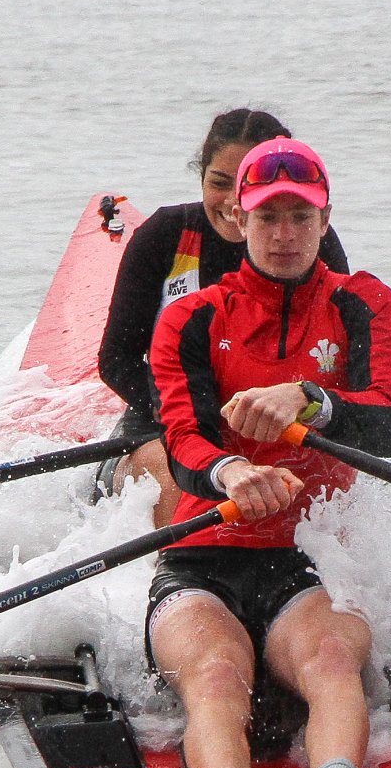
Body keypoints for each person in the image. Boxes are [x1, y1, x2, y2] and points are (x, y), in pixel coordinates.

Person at [146, 137, 391, 768]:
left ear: (326, 221)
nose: (285, 235)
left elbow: (390, 422)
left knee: (329, 659)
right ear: (238, 220)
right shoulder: (193, 318)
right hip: (203, 557)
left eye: (302, 217)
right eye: (268, 218)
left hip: (310, 557)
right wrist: (232, 470)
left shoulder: (365, 303)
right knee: (216, 673)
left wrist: (313, 399)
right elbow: (184, 442)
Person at [97, 108, 350, 526]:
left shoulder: (309, 241)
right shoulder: (165, 235)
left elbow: (342, 359)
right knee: (177, 472)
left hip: (280, 429)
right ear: (200, 179)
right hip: (164, 430)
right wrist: (203, 414)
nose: (233, 201)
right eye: (218, 183)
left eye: (249, 187)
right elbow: (116, 361)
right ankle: (178, 577)